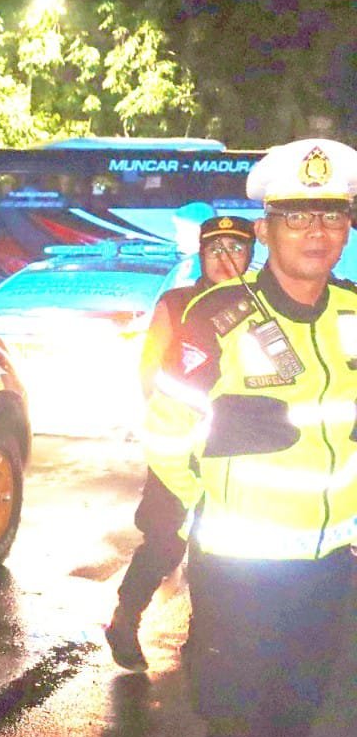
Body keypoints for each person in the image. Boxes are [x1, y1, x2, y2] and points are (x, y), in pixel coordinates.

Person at [142, 138, 357, 737]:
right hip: (240, 573)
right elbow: (165, 434)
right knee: (239, 735)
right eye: (297, 216)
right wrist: (207, 497)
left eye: (332, 215)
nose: (316, 231)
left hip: (329, 568)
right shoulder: (216, 317)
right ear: (265, 230)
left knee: (298, 724)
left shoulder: (353, 311)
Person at [105, 214, 254, 672]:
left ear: (251, 254)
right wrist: (165, 423)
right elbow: (150, 369)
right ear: (201, 255)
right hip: (178, 447)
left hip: (236, 451)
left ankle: (203, 634)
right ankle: (126, 619)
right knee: (165, 540)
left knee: (225, 546)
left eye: (236, 248)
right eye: (215, 249)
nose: (226, 258)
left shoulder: (261, 302)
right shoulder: (177, 302)